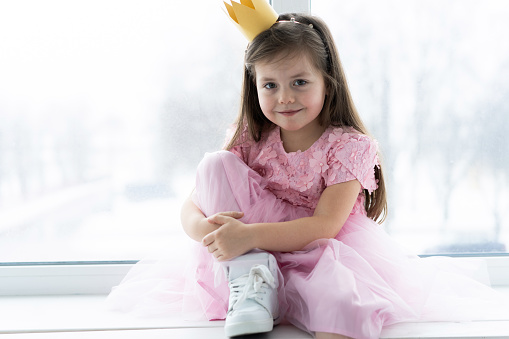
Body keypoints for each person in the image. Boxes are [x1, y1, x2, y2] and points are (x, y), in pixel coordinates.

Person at [107, 9, 509, 339]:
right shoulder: (251, 136)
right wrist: (212, 236)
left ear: (327, 84)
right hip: (251, 253)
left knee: (343, 302)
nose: (284, 97)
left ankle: (287, 292)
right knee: (214, 165)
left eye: (300, 82)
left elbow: (326, 225)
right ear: (255, 86)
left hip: (317, 250)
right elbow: (192, 204)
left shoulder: (347, 146)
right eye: (270, 84)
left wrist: (246, 235)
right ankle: (250, 282)